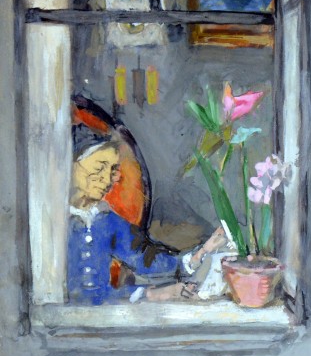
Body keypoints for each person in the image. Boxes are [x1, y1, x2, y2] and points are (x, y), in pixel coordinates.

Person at [69, 129, 226, 304]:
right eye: (99, 168)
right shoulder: (55, 223)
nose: (107, 180)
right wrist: (152, 294)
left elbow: (146, 259)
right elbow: (84, 296)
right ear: (72, 165)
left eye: (112, 171)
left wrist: (199, 254)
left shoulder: (105, 220)